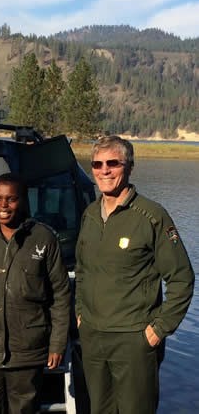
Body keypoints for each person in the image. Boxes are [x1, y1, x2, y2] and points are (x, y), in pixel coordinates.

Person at [75, 135, 195, 414]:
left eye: (113, 163)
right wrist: (81, 313)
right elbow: (82, 270)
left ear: (129, 166)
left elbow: (182, 279)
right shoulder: (90, 214)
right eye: (97, 164)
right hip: (93, 336)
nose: (104, 170)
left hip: (134, 339)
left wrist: (157, 331)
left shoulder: (152, 216)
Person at [0, 173, 71, 414]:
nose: (3, 206)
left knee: (24, 409)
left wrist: (57, 344)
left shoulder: (44, 238)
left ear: (23, 200)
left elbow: (60, 295)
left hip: (28, 349)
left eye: (11, 199)